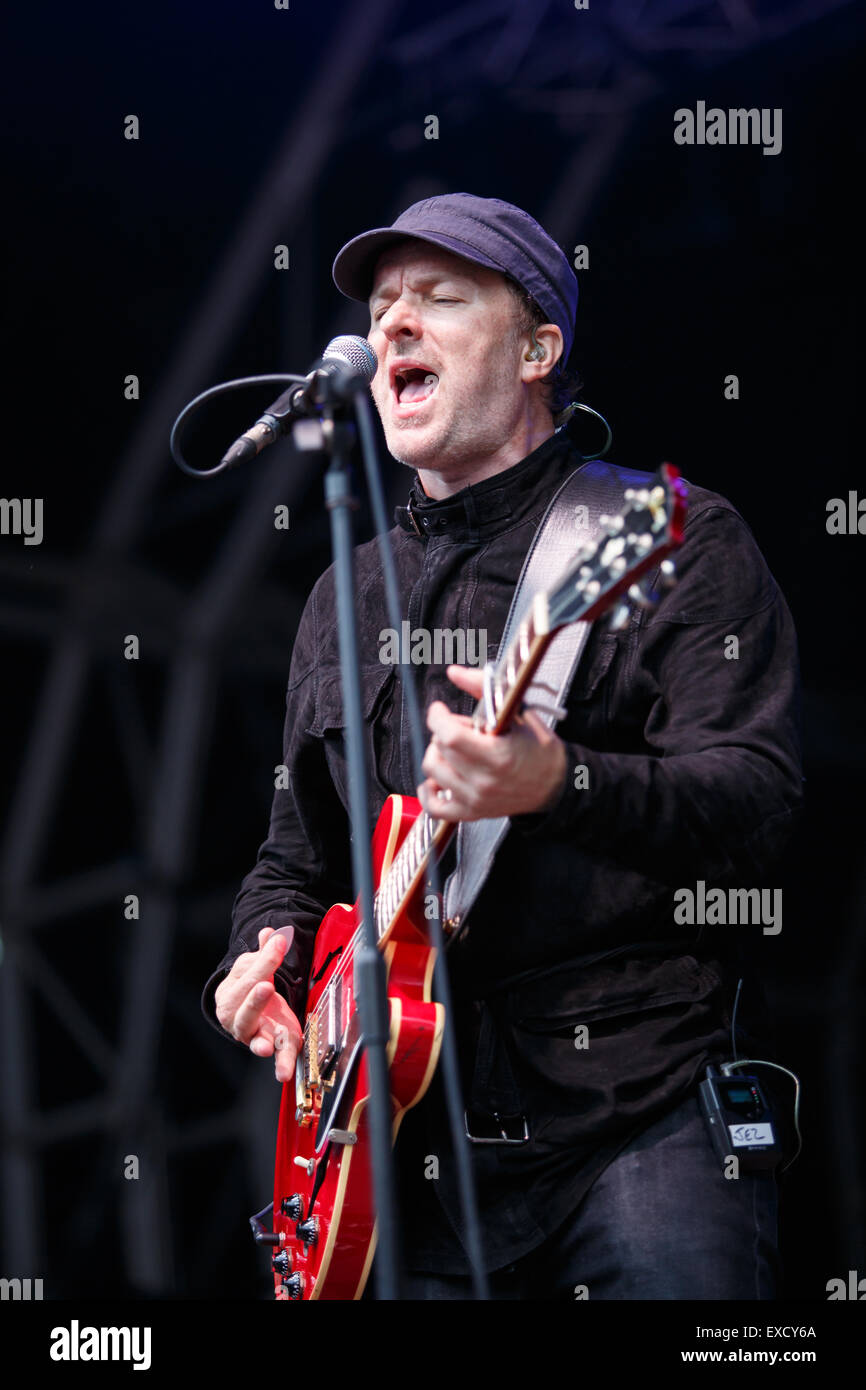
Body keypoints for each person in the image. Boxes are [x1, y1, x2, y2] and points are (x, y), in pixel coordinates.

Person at [201, 192, 803, 1300]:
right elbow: (296, 857)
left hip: (634, 1121)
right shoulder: (346, 590)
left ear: (537, 350)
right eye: (382, 307)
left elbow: (760, 803)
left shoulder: (658, 537)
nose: (393, 326)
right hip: (398, 1165)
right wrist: (257, 960)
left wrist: (558, 783)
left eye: (438, 298)